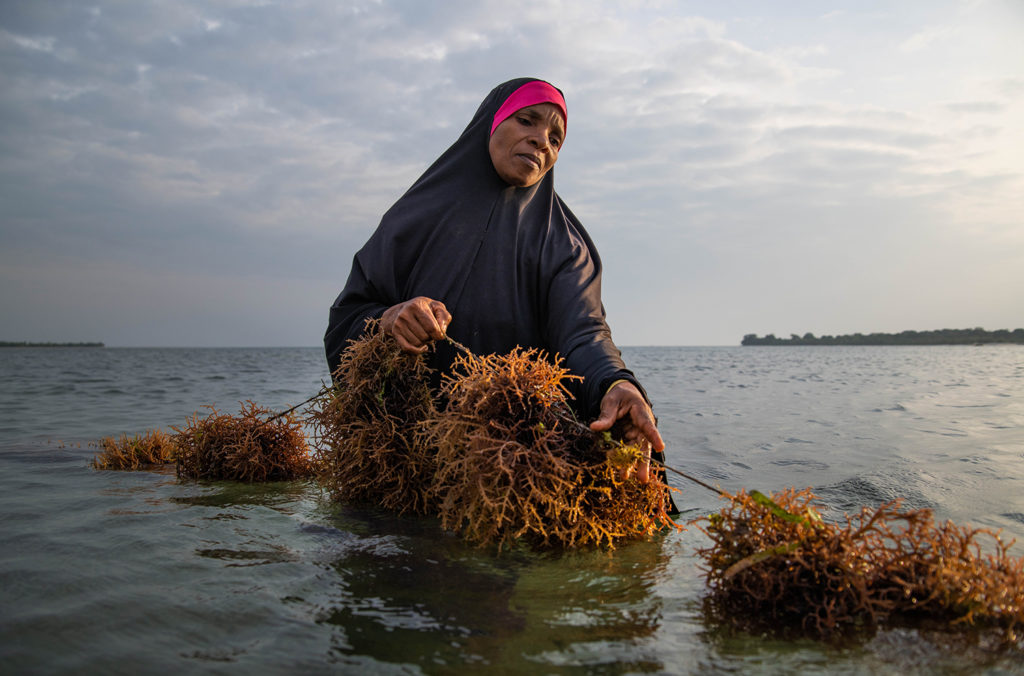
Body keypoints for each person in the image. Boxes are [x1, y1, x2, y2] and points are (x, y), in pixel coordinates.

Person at [325, 78, 666, 484]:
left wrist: (616, 382)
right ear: (490, 122)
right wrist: (391, 318)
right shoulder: (410, 221)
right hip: (402, 456)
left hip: (514, 463)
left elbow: (584, 334)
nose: (542, 141)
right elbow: (349, 316)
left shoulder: (566, 248)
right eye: (527, 121)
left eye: (556, 139)